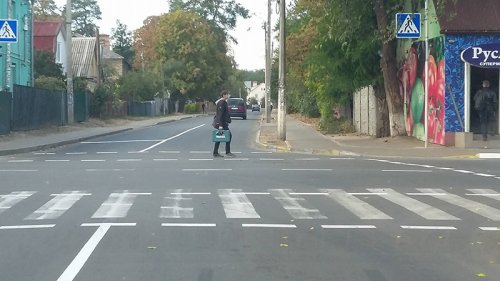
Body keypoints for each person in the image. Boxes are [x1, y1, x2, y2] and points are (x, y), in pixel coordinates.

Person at [213, 90, 235, 157]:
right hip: (221, 123)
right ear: (224, 95)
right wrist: (220, 125)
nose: (229, 96)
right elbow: (220, 114)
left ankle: (216, 152)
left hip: (223, 123)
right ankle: (227, 152)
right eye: (228, 94)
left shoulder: (224, 102)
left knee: (219, 137)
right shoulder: (221, 103)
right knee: (228, 136)